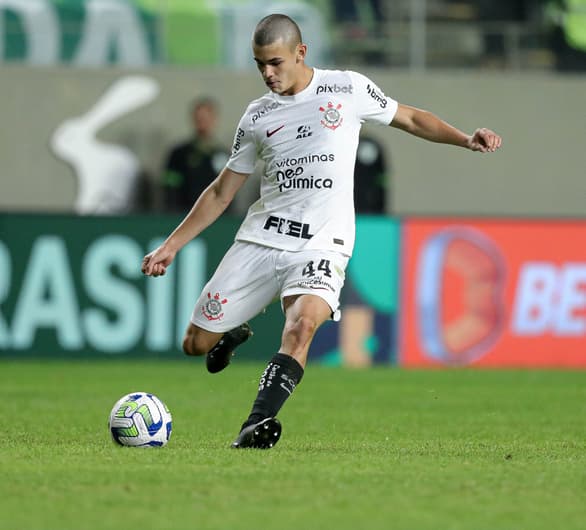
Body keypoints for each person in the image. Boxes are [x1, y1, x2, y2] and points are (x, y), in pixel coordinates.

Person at [142, 13, 502, 449]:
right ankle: (233, 331)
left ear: (301, 53)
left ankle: (254, 425)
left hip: (322, 244)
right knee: (195, 345)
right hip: (261, 239)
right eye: (259, 65)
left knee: (302, 326)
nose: (267, 74)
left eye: (275, 62)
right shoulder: (257, 117)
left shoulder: (346, 89)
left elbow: (410, 118)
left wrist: (465, 138)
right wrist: (172, 245)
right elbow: (221, 192)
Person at [161, 97, 230, 213]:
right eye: (199, 119)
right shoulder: (179, 154)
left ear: (214, 120)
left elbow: (228, 190)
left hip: (215, 217)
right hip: (184, 215)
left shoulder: (224, 155)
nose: (202, 122)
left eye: (206, 118)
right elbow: (170, 188)